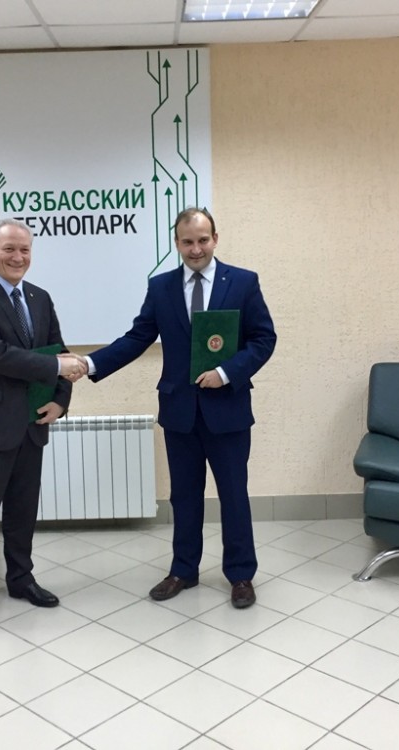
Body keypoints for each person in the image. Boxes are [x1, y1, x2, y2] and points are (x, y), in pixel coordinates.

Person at [84, 207, 276, 608]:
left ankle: (241, 574)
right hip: (180, 412)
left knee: (234, 495)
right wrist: (91, 363)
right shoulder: (161, 287)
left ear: (215, 239)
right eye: (187, 242)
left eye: (203, 240)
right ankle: (183, 570)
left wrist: (226, 372)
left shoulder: (243, 282)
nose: (196, 249)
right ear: (177, 243)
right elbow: (136, 338)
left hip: (228, 409)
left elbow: (263, 339)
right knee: (184, 497)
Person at [0, 218, 87, 647]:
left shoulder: (39, 298)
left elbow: (57, 349)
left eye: (25, 249)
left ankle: (21, 580)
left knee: (23, 512)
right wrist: (57, 366)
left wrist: (61, 399)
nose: (18, 257)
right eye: (9, 249)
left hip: (31, 425)